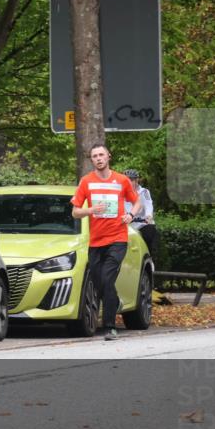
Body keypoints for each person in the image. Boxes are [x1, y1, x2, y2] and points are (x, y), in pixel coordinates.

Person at [70, 143, 142, 341]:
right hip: (96, 241)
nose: (99, 158)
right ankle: (115, 301)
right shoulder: (86, 182)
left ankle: (109, 326)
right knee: (99, 282)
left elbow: (137, 202)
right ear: (91, 160)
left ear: (108, 156)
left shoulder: (121, 180)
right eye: (95, 156)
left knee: (107, 278)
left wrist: (130, 215)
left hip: (118, 239)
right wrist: (91, 210)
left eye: (101, 154)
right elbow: (75, 211)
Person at [124, 169, 159, 260]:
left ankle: (150, 259)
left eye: (131, 180)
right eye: (126, 180)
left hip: (142, 223)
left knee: (149, 233)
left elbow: (148, 204)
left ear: (136, 180)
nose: (128, 182)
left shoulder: (144, 192)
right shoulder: (120, 192)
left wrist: (148, 216)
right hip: (127, 225)